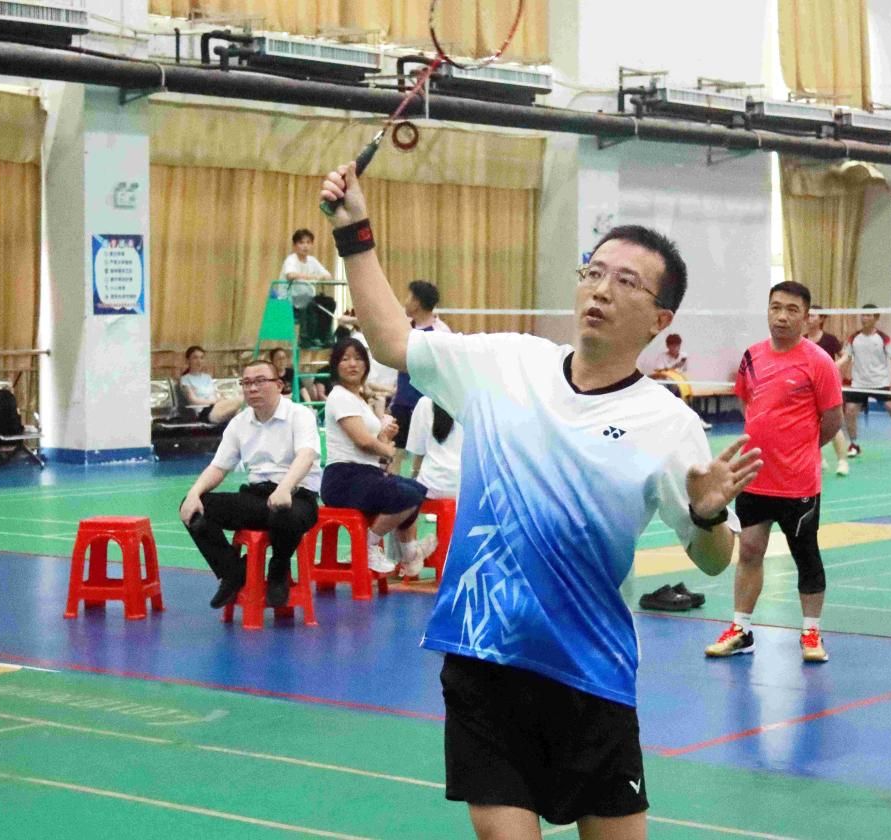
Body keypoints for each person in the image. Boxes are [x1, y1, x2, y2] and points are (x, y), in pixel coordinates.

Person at [320, 161, 762, 839]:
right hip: (483, 652)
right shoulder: (507, 363)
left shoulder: (669, 424)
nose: (601, 290)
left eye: (626, 282)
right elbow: (393, 341)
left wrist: (706, 514)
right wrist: (354, 232)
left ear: (659, 318)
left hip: (591, 669)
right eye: (594, 272)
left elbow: (712, 559)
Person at [705, 281, 843, 663]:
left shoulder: (819, 362)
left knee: (805, 555)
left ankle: (811, 632)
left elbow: (832, 420)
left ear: (806, 317)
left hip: (798, 482)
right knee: (749, 550)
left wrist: (801, 449)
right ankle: (741, 629)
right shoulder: (752, 356)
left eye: (792, 310)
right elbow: (748, 402)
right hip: (754, 476)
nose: (782, 316)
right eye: (775, 307)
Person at [179, 359, 322, 610]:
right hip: (257, 498)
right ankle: (232, 572)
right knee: (195, 509)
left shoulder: (300, 415)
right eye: (246, 383)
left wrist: (284, 488)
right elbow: (219, 467)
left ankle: (278, 569)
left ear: (279, 385)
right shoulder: (239, 423)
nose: (252, 388)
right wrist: (194, 493)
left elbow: (306, 455)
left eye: (260, 381)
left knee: (284, 515)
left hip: (297, 497)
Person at [320, 337, 431, 577]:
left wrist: (383, 436)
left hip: (366, 473)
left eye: (358, 359)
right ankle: (367, 546)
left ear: (366, 365)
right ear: (335, 366)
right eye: (345, 359)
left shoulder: (358, 399)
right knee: (406, 495)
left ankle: (409, 554)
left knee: (417, 490)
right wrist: (388, 450)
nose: (353, 364)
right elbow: (362, 441)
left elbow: (371, 442)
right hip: (344, 478)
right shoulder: (339, 396)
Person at [387, 280, 452, 474]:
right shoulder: (404, 329)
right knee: (396, 453)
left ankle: (420, 488)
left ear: (417, 302)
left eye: (408, 297)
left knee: (422, 455)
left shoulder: (441, 332)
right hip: (403, 401)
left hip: (426, 402)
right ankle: (393, 490)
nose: (405, 302)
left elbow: (444, 369)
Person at [843, 305, 891, 456]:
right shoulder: (854, 338)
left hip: (880, 383)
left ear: (876, 318)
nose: (864, 318)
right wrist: (836, 370)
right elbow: (846, 358)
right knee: (850, 411)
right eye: (863, 315)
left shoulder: (883, 338)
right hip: (859, 383)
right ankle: (854, 444)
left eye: (868, 315)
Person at [404, 396, 464, 564]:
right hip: (465, 487)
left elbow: (418, 451)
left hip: (433, 484)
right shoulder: (475, 401)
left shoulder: (425, 402)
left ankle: (409, 556)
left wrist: (414, 476)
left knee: (402, 495)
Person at [805, 307, 852, 476]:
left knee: (833, 425)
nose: (809, 318)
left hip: (828, 388)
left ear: (821, 319)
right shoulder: (802, 340)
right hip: (809, 389)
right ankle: (819, 459)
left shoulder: (829, 340)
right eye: (808, 315)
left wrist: (833, 366)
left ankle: (842, 462)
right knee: (809, 425)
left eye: (813, 315)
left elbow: (845, 355)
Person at [280, 228, 334, 349]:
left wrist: (321, 277)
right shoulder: (291, 259)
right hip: (288, 300)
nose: (305, 246)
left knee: (329, 303)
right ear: (295, 246)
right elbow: (290, 275)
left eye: (308, 242)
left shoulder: (312, 261)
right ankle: (305, 338)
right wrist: (312, 277)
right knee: (308, 302)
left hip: (308, 298)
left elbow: (328, 276)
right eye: (301, 242)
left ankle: (323, 338)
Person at [178, 346, 243, 425]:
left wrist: (220, 398)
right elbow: (193, 400)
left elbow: (214, 394)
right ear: (188, 360)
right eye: (195, 358)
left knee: (241, 410)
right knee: (241, 401)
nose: (199, 361)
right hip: (203, 412)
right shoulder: (185, 379)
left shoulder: (207, 377)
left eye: (201, 358)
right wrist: (214, 401)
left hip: (215, 406)